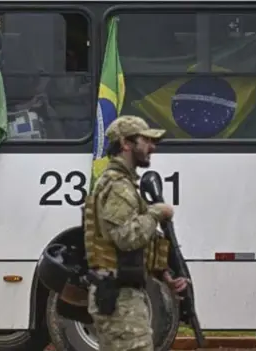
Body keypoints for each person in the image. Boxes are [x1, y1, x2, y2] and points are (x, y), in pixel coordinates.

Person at [83, 115, 189, 351]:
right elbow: (126, 238)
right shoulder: (119, 186)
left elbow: (131, 246)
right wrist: (155, 214)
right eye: (146, 140)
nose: (152, 147)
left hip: (121, 294)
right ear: (125, 143)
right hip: (120, 299)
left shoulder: (124, 184)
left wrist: (164, 276)